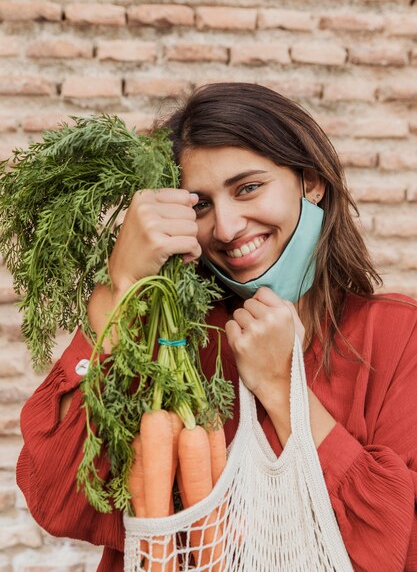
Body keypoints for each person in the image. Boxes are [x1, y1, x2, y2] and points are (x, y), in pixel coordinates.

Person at [16, 83, 417, 572]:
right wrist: (120, 293)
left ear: (310, 182)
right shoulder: (170, 339)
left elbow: (396, 550)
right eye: (200, 205)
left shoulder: (397, 335)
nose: (226, 228)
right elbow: (57, 497)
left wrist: (280, 386)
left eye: (248, 187)